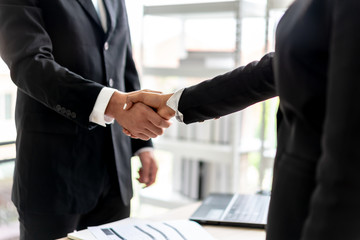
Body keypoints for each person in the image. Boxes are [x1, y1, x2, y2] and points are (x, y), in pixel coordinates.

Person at [124, 0, 360, 239]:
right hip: (294, 205)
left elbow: (349, 156)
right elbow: (273, 69)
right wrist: (174, 103)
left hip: (323, 213)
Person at [0, 0, 170, 239]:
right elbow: (29, 63)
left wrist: (142, 144)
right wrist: (114, 104)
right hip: (53, 176)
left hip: (115, 176)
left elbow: (124, 66)